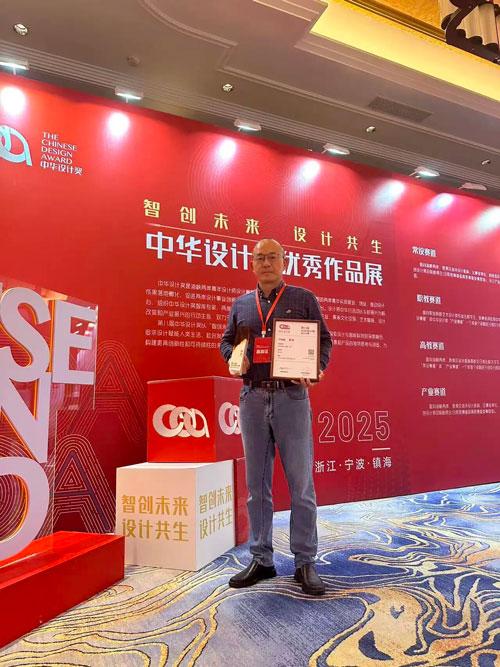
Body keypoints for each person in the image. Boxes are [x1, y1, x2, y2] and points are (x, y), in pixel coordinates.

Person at [220, 238, 332, 595]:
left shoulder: (303, 298)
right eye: (259, 258)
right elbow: (226, 341)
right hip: (252, 397)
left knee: (301, 485)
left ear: (284, 261)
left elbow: (324, 340)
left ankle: (305, 562)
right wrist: (233, 358)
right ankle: (262, 559)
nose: (266, 263)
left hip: (291, 397)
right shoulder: (241, 304)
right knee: (257, 487)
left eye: (272, 257)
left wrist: (316, 367)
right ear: (252, 263)